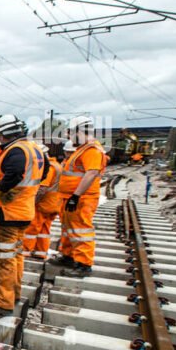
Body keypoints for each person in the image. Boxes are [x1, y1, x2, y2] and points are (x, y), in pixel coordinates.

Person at [0, 115, 47, 318]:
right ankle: (13, 293)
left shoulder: (16, 151)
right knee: (15, 255)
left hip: (6, 214)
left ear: (3, 134)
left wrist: (1, 192)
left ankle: (2, 303)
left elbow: (14, 173)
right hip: (24, 212)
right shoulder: (35, 150)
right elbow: (44, 172)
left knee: (3, 258)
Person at [51, 116, 105, 278]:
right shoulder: (82, 149)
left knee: (81, 230)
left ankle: (84, 264)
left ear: (79, 131)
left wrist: (76, 195)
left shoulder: (92, 150)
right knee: (68, 229)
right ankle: (68, 256)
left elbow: (91, 173)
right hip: (70, 197)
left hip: (82, 198)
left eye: (70, 132)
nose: (68, 136)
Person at [22, 142, 65, 260]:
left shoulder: (49, 167)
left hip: (44, 204)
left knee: (32, 227)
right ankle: (41, 252)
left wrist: (32, 202)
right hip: (54, 203)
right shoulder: (57, 165)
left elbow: (42, 188)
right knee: (44, 229)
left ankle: (25, 251)